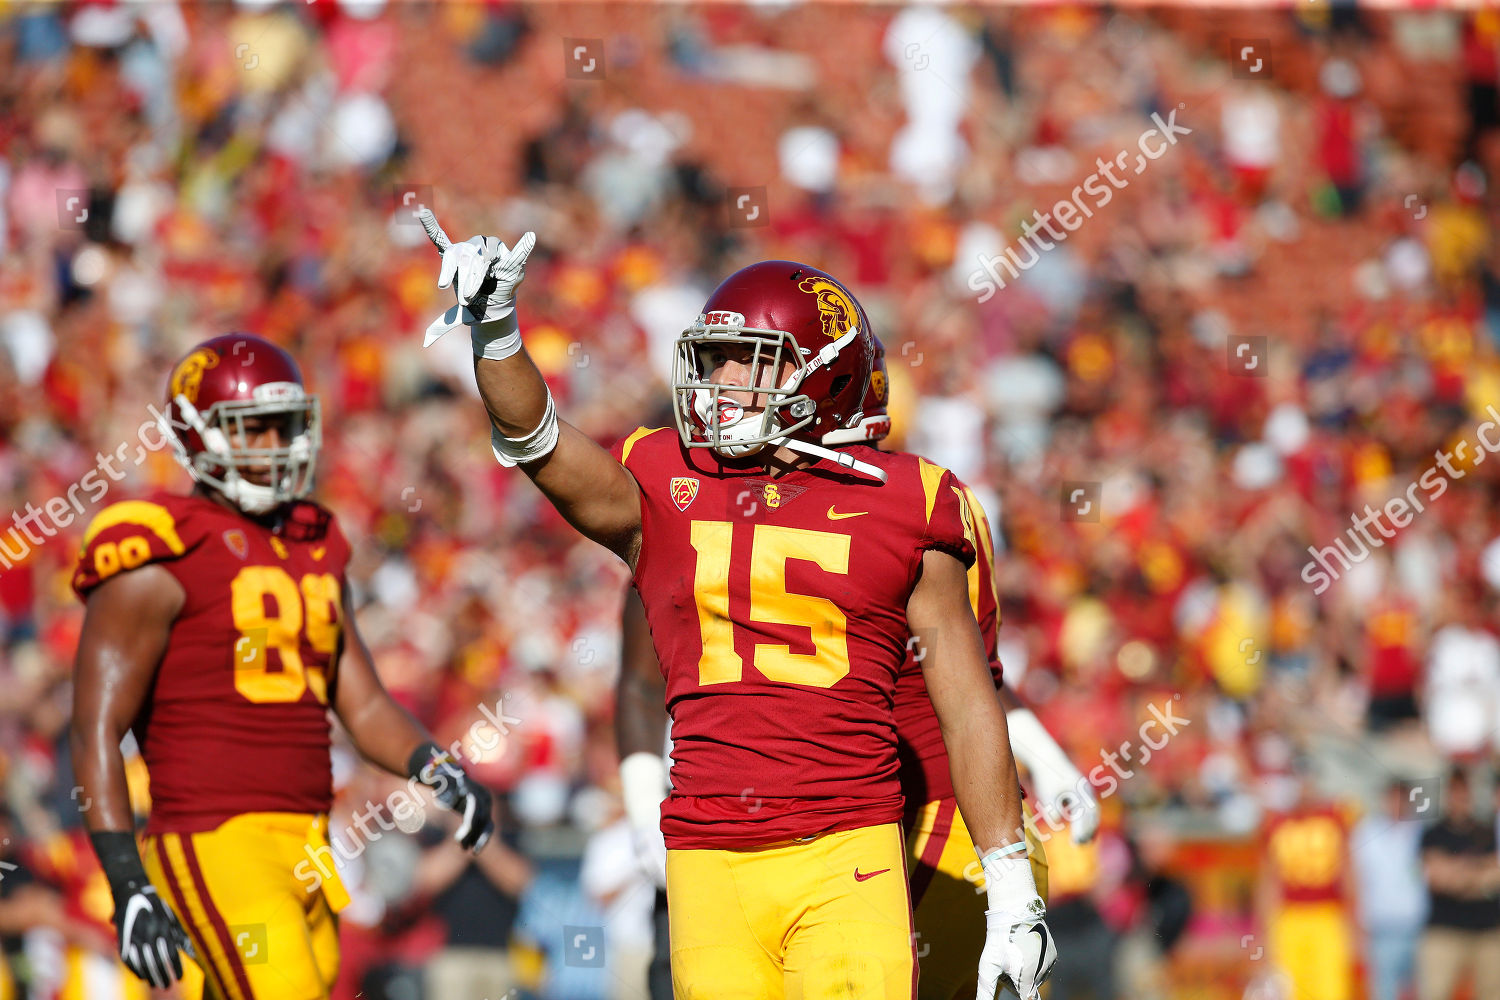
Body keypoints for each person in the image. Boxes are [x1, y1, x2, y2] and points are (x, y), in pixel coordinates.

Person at [418, 211, 1056, 999]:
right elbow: (537, 440)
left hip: (846, 847)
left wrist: (1010, 883)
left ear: (820, 375)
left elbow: (966, 701)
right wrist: (496, 329)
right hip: (705, 856)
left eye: (742, 364)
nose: (714, 384)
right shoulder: (667, 479)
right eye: (710, 361)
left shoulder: (907, 501)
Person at [613, 340, 1094, 1000]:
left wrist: (1038, 755)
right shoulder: (697, 518)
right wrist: (646, 814)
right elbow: (640, 678)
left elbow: (968, 682)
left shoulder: (919, 508)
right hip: (769, 829)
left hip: (928, 820)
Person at [69, 334, 495, 999]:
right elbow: (95, 725)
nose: (274, 448)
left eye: (284, 428)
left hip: (308, 844)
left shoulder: (313, 542)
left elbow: (364, 705)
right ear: (196, 434)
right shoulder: (158, 548)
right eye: (252, 429)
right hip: (213, 842)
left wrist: (436, 767)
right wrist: (127, 879)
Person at [1418, 765, 1500, 1000]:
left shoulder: (1487, 830)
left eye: (1464, 791)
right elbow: (1438, 879)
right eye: (1455, 791)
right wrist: (1479, 870)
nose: (1460, 797)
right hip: (1444, 930)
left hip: (1487, 931)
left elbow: (1495, 878)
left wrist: (1456, 872)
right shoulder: (1433, 833)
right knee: (1435, 992)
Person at [1351, 778, 1427, 1000]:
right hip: (1381, 928)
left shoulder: (1422, 832)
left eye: (1402, 798)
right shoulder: (1366, 832)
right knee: (1384, 992)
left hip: (1419, 927)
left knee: (1421, 991)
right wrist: (1358, 925)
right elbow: (1356, 880)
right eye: (1392, 798)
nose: (1397, 804)